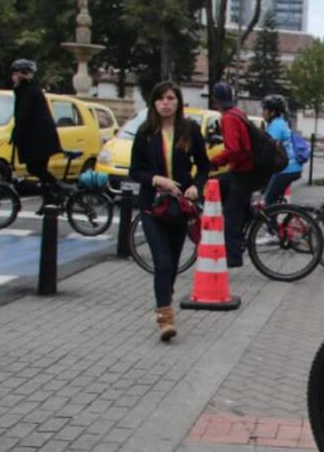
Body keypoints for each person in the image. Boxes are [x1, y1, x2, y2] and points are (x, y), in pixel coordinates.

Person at [128, 82, 210, 341]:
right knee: (162, 262)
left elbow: (204, 166)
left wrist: (196, 187)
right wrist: (155, 179)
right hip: (153, 207)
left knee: (172, 263)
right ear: (153, 103)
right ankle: (165, 317)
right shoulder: (145, 132)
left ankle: (165, 295)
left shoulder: (190, 130)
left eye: (171, 98)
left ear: (178, 102)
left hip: (180, 208)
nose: (166, 103)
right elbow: (135, 170)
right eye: (161, 98)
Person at [208, 81, 262, 268]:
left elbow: (233, 149)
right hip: (247, 168)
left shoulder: (229, 118)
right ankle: (251, 215)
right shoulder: (239, 113)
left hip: (244, 171)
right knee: (221, 186)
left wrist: (214, 162)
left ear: (215, 101)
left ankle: (233, 256)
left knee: (232, 213)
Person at [9, 59, 62, 200]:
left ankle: (58, 190)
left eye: (15, 74)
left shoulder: (28, 91)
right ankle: (49, 200)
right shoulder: (30, 89)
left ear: (22, 74)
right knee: (39, 169)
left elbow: (24, 115)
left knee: (35, 168)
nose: (12, 77)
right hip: (41, 139)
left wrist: (16, 134)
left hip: (40, 140)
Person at [259, 94, 298, 207]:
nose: (263, 113)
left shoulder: (276, 126)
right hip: (291, 167)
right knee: (274, 201)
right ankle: (277, 220)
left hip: (287, 168)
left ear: (272, 112)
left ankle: (273, 223)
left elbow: (266, 148)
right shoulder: (280, 123)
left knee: (268, 202)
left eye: (265, 109)